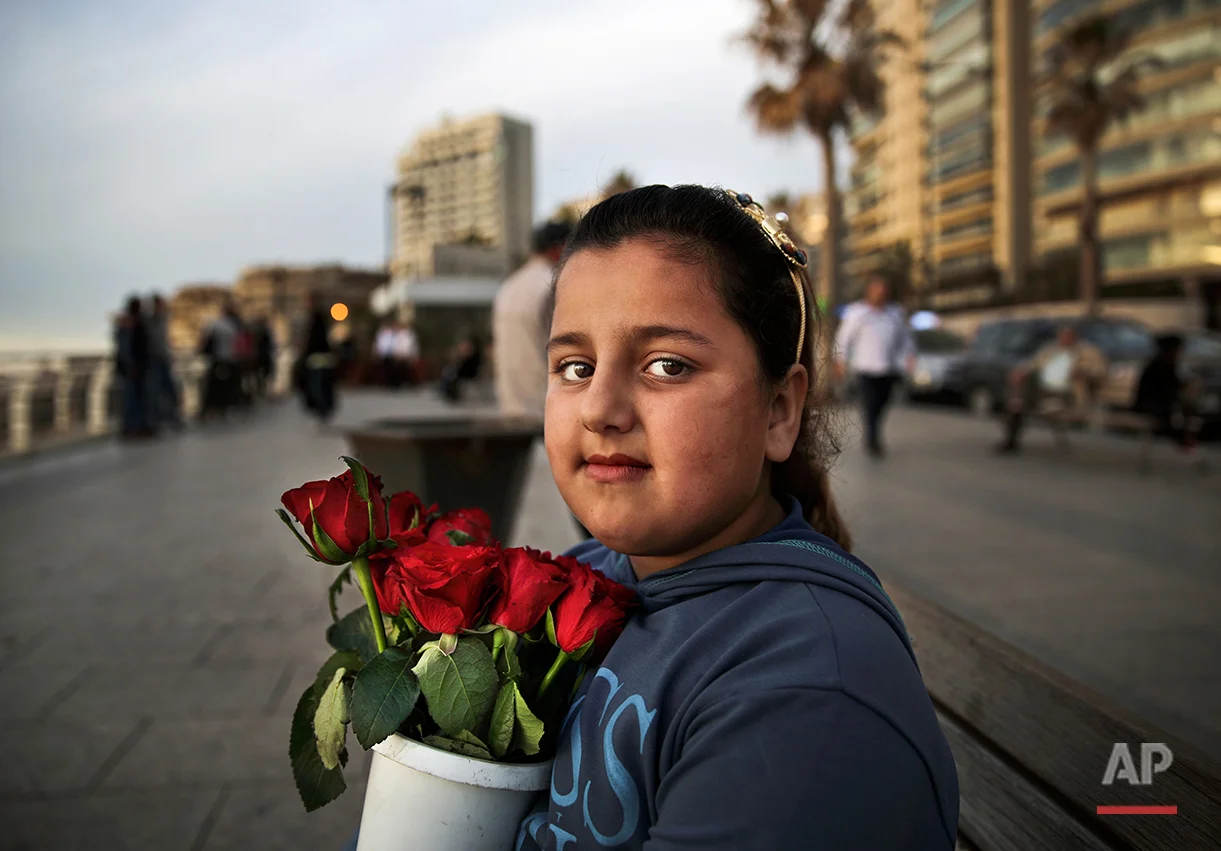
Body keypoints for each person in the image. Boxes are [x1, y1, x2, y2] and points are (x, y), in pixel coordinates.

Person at [517, 185, 958, 849]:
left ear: (778, 410)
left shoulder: (807, 696)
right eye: (575, 366)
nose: (599, 408)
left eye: (667, 365)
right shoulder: (577, 582)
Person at [492, 220, 573, 420]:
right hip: (545, 406)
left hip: (511, 403)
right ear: (561, 248)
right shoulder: (554, 283)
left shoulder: (509, 285)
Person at [834, 275, 915, 458]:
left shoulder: (895, 313)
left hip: (888, 368)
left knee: (882, 402)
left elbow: (905, 339)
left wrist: (909, 356)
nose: (880, 294)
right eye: (876, 290)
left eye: (883, 291)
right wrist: (839, 360)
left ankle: (874, 430)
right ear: (869, 292)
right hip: (866, 368)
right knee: (870, 404)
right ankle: (872, 439)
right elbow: (844, 339)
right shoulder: (857, 312)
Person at [996, 323, 1107, 454]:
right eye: (1061, 336)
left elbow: (1100, 372)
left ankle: (1019, 407)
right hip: (1043, 390)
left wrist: (1083, 372)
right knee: (1021, 388)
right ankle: (1013, 426)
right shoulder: (1050, 350)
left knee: (1021, 401)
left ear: (1075, 337)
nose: (1064, 339)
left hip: (1067, 392)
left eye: (1068, 336)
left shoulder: (1088, 352)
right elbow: (1032, 365)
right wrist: (1020, 372)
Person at [1134, 333, 1198, 452]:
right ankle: (1182, 438)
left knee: (1188, 410)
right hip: (1151, 404)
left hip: (1162, 403)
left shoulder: (1169, 365)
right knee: (1169, 417)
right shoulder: (1158, 365)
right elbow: (1161, 389)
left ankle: (1184, 436)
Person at [114, 295, 154, 438]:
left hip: (137, 367)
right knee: (133, 398)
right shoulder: (130, 324)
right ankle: (132, 427)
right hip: (133, 368)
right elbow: (127, 349)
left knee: (137, 398)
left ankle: (137, 426)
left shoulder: (135, 323)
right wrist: (131, 366)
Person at [199, 299, 242, 419]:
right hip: (229, 360)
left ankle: (212, 409)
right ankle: (222, 408)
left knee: (215, 387)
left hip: (220, 360)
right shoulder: (233, 326)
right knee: (225, 387)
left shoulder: (217, 324)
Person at [297, 292, 337, 422]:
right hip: (316, 357)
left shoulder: (317, 318)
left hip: (318, 357)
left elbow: (315, 340)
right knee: (318, 385)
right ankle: (322, 409)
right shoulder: (314, 318)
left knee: (318, 385)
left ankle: (323, 409)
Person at [146, 293, 182, 429]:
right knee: (158, 392)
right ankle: (159, 420)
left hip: (163, 360)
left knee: (169, 391)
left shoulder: (162, 319)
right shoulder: (152, 321)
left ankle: (171, 418)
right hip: (156, 360)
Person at [438, 335, 484, 402]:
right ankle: (445, 391)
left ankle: (447, 393)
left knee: (449, 376)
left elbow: (464, 367)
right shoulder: (475, 355)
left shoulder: (473, 356)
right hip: (465, 373)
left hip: (467, 375)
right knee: (448, 374)